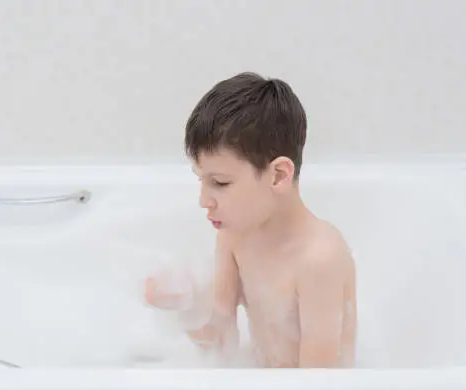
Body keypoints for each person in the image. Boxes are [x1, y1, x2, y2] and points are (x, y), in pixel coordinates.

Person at [143, 72, 357, 368]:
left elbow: (319, 379)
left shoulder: (319, 260)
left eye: (220, 182)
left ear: (279, 175)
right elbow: (219, 338)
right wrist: (183, 307)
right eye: (201, 181)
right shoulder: (235, 236)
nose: (204, 200)